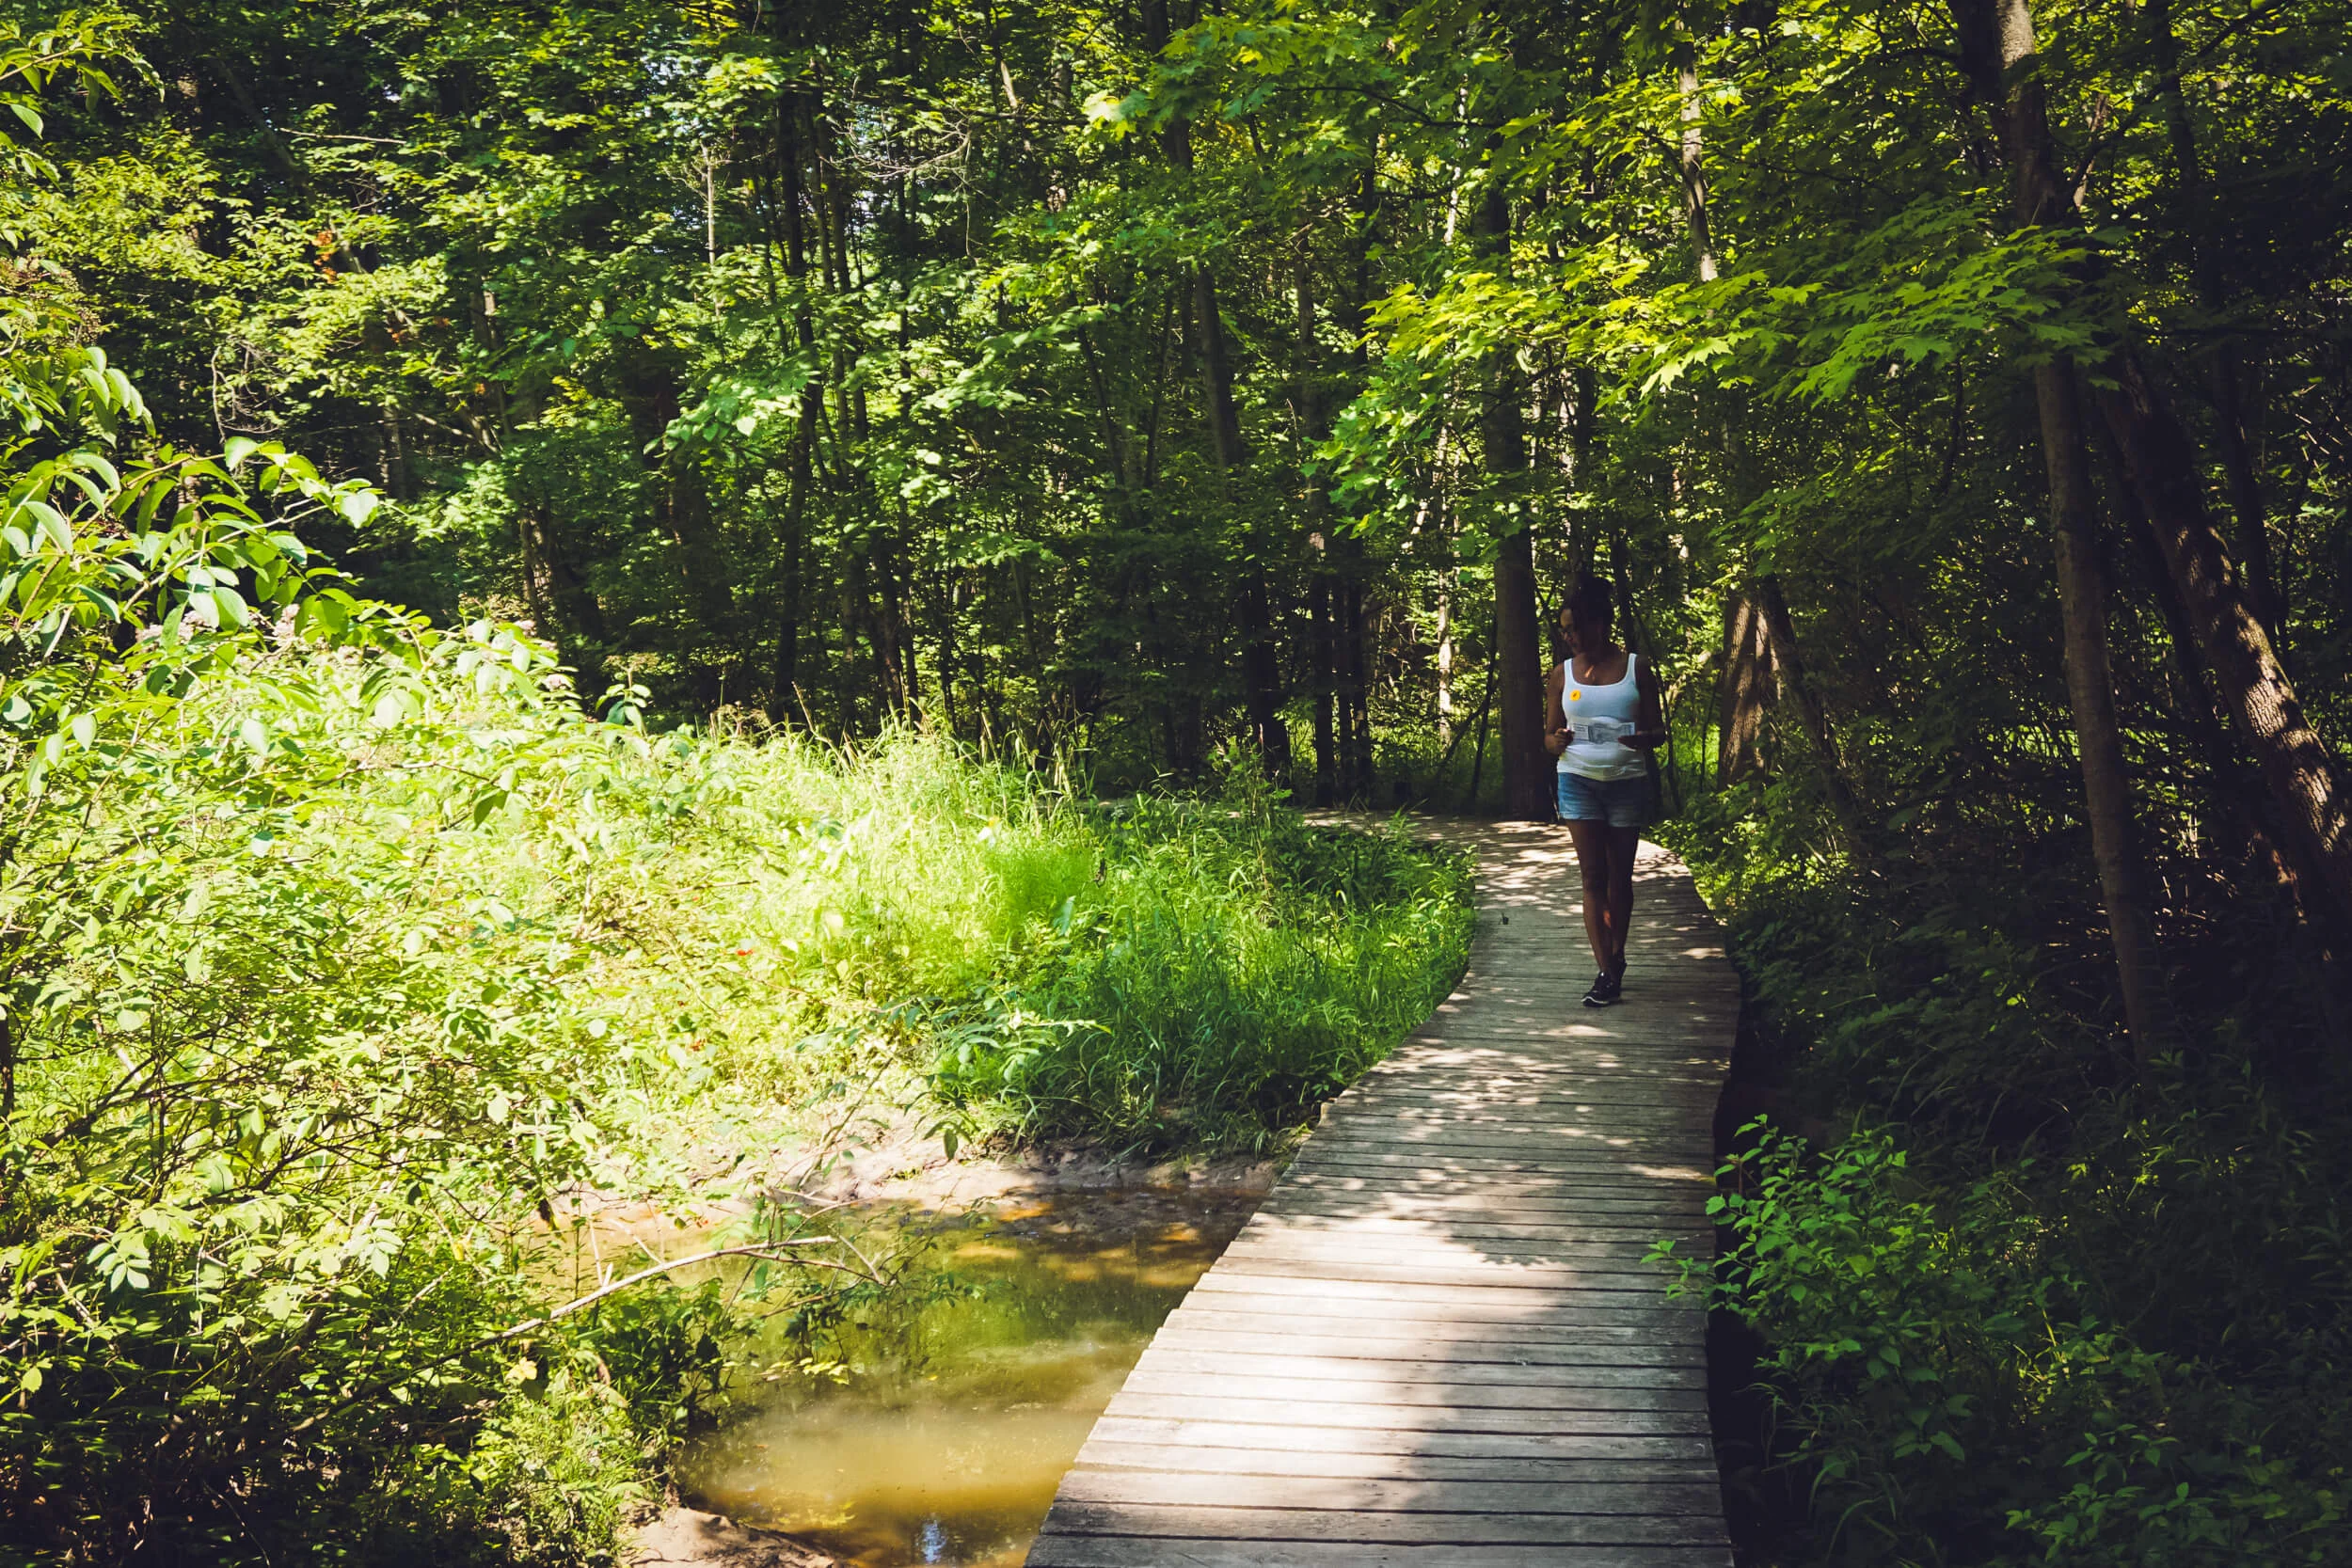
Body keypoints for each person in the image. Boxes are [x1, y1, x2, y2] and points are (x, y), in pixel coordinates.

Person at [1544, 571, 1666, 1007]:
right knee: (1592, 876)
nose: (1569, 636)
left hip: (1625, 782)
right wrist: (1556, 741)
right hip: (1577, 780)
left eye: (1574, 627)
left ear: (1599, 624)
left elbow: (1658, 730)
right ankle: (1605, 971)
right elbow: (1549, 735)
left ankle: (1618, 953)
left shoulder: (1636, 667)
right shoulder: (1561, 675)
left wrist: (1643, 739)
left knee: (1619, 878)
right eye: (1564, 630)